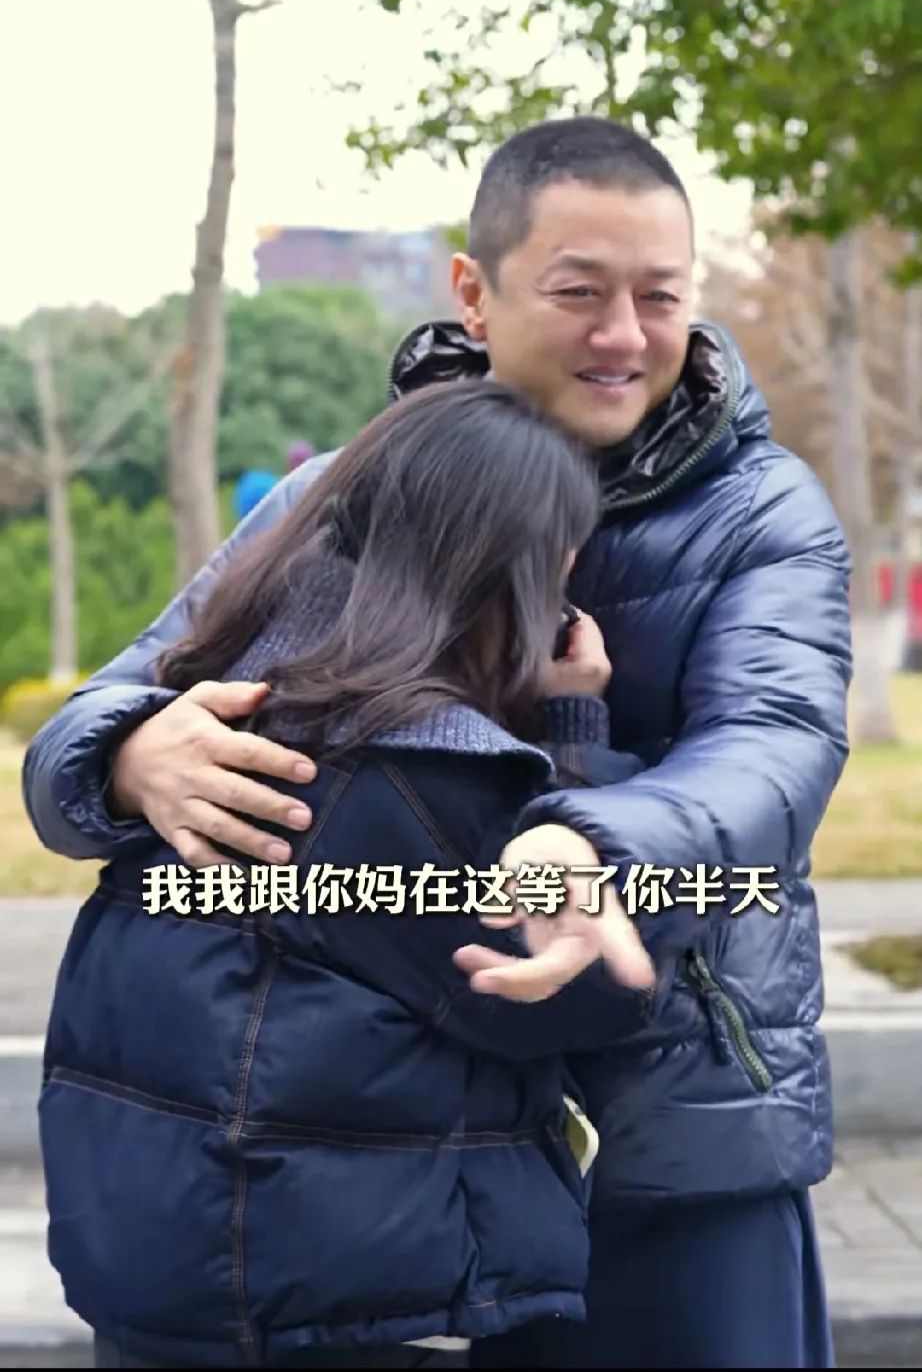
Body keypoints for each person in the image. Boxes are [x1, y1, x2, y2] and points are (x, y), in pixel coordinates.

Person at [25, 118, 853, 1369]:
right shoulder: (347, 485)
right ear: (474, 290)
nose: (624, 334)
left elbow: (772, 746)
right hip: (407, 1158)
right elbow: (109, 705)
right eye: (578, 292)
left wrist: (587, 839)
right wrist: (129, 753)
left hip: (677, 1109)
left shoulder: (759, 510)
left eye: (659, 296)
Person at [40, 381, 655, 1371]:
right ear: (506, 572)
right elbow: (568, 993)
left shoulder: (195, 721)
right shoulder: (425, 779)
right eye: (561, 554)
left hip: (164, 1272)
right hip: (343, 1302)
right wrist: (576, 735)